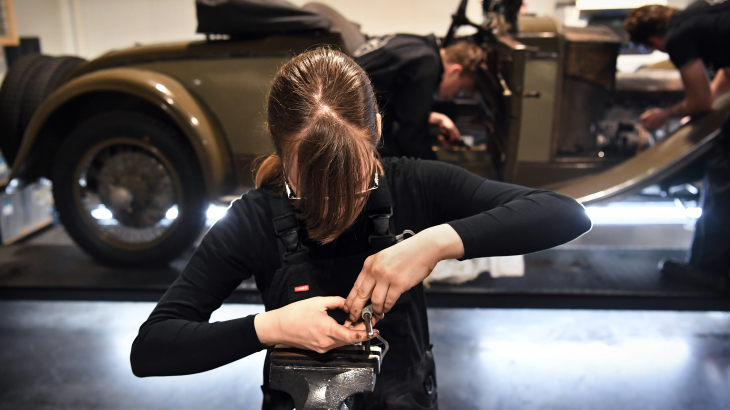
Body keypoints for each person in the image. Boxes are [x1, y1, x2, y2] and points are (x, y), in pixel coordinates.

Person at [130, 48, 592, 409]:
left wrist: (433, 244)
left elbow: (565, 213)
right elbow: (150, 349)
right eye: (311, 185)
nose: (334, 206)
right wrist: (267, 328)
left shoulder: (416, 184)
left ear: (376, 129)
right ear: (275, 140)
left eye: (350, 181)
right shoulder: (252, 219)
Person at [625, 1, 730, 290]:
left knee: (722, 175)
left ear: (654, 40)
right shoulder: (700, 14)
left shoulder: (679, 37)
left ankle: (710, 272)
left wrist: (666, 114)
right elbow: (725, 76)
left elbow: (701, 101)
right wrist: (703, 112)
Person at [354, 36, 483, 160]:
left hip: (346, 105)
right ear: (455, 71)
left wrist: (435, 119)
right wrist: (437, 170)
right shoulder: (427, 65)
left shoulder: (418, 45)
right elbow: (410, 137)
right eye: (461, 88)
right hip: (352, 125)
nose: (454, 96)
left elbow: (400, 105)